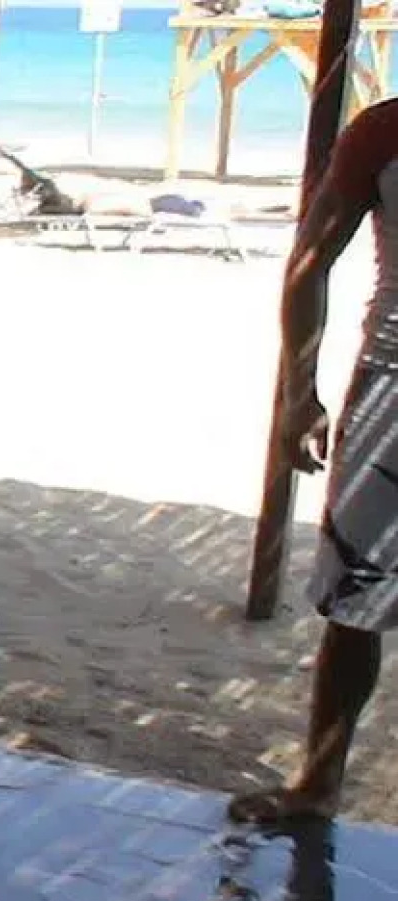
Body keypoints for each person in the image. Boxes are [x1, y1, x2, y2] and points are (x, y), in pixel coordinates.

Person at [229, 99, 398, 824]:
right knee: (355, 599)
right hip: (391, 383)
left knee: (354, 604)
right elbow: (309, 262)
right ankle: (318, 785)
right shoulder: (382, 133)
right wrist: (300, 392)